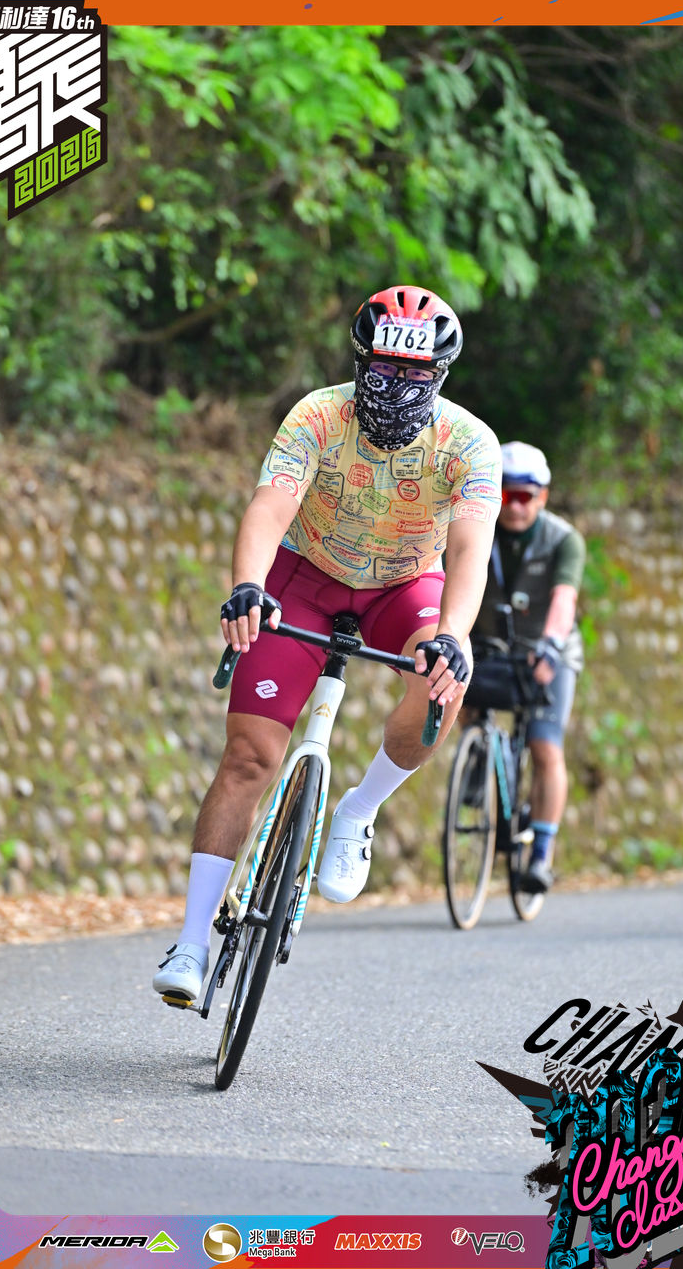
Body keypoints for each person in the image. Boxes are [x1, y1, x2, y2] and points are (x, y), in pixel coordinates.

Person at [153, 284, 502, 1002]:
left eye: (414, 373)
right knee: (249, 757)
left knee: (443, 684)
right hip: (305, 575)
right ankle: (190, 942)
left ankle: (359, 808)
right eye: (383, 369)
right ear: (359, 362)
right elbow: (270, 506)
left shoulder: (470, 443)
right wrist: (248, 586)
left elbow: (470, 549)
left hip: (405, 583)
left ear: (440, 375)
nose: (396, 385)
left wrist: (453, 636)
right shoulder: (317, 414)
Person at [465, 441, 585, 895]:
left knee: (544, 745)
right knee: (456, 693)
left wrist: (550, 648)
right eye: (505, 495)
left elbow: (564, 599)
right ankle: (476, 760)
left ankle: (541, 855)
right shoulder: (477, 527)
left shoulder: (563, 539)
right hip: (490, 641)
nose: (514, 506)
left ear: (542, 497)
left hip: (546, 649)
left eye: (524, 496)